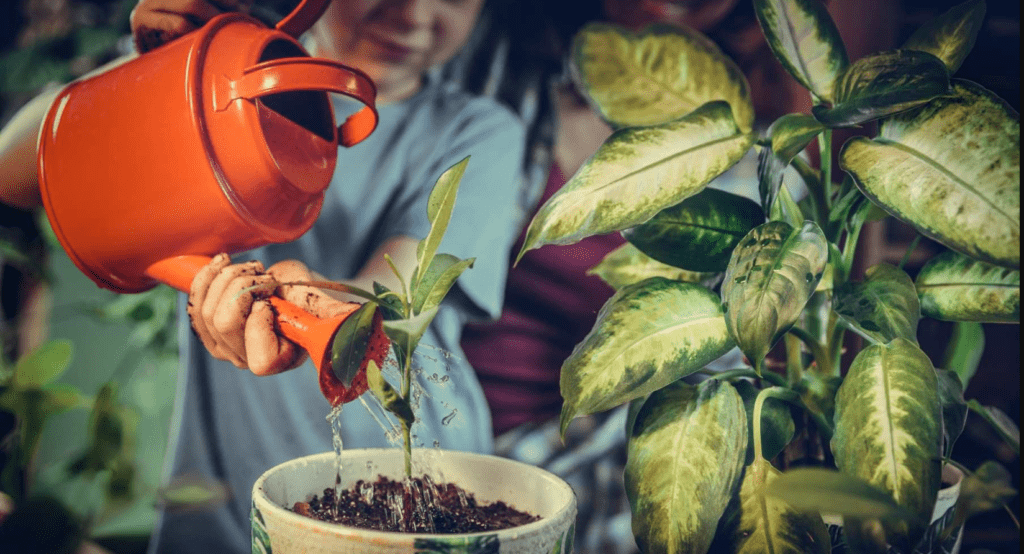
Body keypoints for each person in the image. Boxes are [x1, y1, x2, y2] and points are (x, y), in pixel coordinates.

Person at [0, 1, 531, 552]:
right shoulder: (214, 82)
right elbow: (13, 172)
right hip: (227, 505)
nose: (416, 14)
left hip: (417, 489)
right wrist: (159, 73)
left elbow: (398, 299)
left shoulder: (478, 129)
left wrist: (319, 315)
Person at [458, 0, 901, 552]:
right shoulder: (504, 75)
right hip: (504, 450)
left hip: (675, 438)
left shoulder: (771, 129)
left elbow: (827, 324)